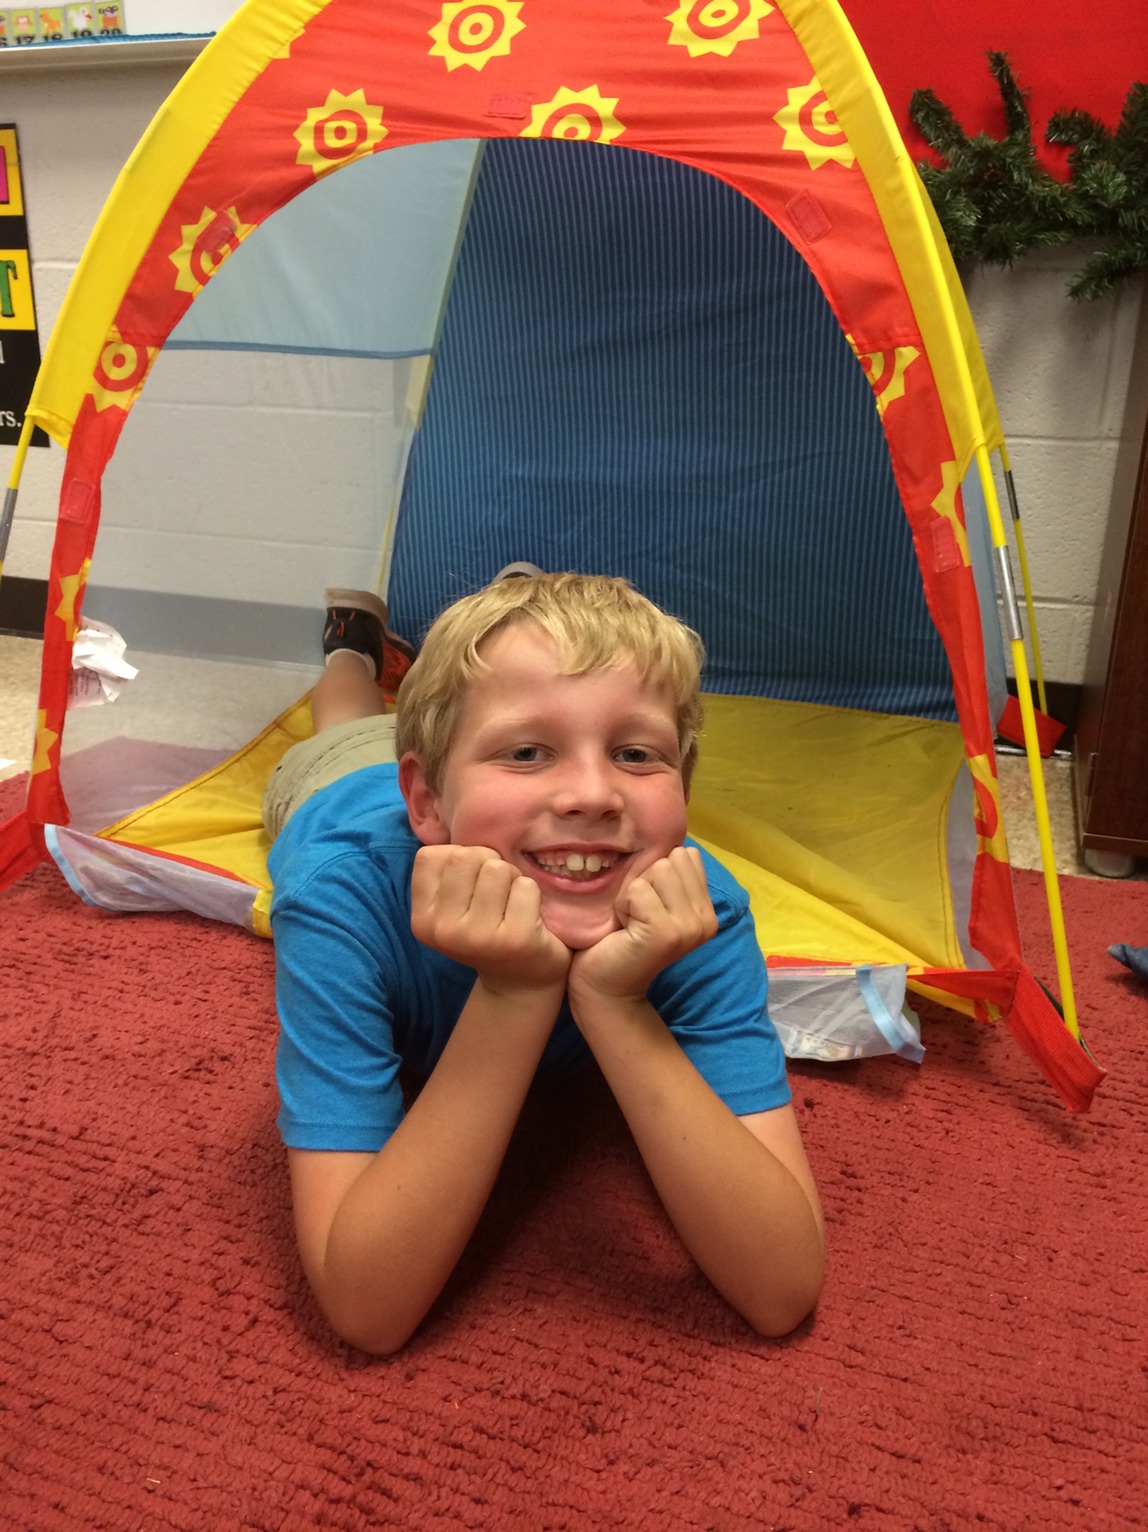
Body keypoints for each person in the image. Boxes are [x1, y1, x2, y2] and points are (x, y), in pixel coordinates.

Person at [264, 570, 825, 1354]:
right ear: (425, 801)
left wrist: (619, 1004)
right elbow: (365, 1308)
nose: (593, 794)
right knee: (344, 717)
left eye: (635, 753)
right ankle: (352, 650)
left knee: (473, 698)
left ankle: (489, 623)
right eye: (527, 751)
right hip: (338, 786)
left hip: (459, 793)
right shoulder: (338, 900)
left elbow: (782, 1287)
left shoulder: (705, 915)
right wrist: (514, 991)